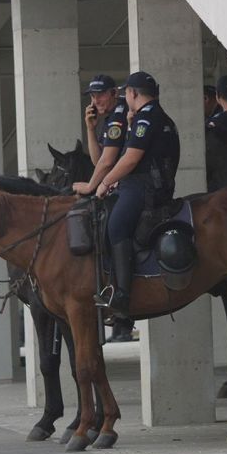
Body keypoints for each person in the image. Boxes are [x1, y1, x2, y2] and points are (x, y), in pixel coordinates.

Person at [93, 71, 181, 316]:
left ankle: (122, 294)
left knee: (116, 226)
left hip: (142, 187)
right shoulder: (156, 117)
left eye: (126, 93)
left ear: (132, 93)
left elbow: (131, 159)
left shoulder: (146, 119)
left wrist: (105, 182)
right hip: (150, 185)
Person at [71, 75, 134, 340]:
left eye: (100, 95)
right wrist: (90, 128)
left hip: (130, 185)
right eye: (92, 96)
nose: (95, 101)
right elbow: (99, 160)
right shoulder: (107, 119)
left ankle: (121, 298)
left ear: (114, 93)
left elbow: (107, 163)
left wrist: (89, 187)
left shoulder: (119, 114)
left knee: (113, 227)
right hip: (115, 184)